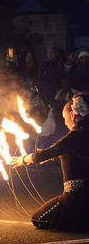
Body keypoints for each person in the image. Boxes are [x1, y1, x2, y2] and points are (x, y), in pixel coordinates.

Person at [11, 92, 89, 230]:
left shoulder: (75, 136)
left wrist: (24, 159)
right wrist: (54, 155)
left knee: (38, 219)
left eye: (65, 117)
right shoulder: (83, 134)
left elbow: (50, 152)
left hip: (74, 197)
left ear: (73, 115)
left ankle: (78, 220)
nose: (65, 122)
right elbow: (76, 153)